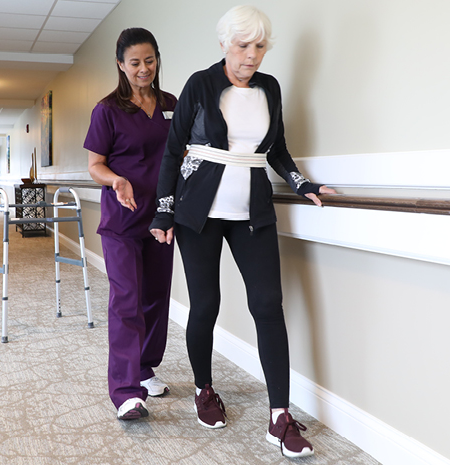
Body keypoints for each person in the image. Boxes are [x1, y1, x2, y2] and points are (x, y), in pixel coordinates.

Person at [149, 6, 336, 458]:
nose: (250, 56)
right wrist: (163, 213)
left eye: (258, 47)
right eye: (241, 46)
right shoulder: (200, 83)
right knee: (207, 304)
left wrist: (301, 183)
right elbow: (174, 153)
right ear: (224, 45)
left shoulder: (269, 88)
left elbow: (278, 150)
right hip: (199, 213)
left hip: (252, 211)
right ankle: (205, 389)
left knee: (268, 304)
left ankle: (279, 417)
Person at [84, 28, 178, 421]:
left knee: (156, 296)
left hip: (161, 218)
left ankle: (144, 367)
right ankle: (125, 391)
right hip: (122, 221)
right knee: (126, 301)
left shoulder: (172, 104)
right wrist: (116, 180)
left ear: (158, 58)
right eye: (135, 62)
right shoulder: (107, 109)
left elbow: (183, 153)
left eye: (150, 60)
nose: (144, 69)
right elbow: (95, 165)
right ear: (121, 65)